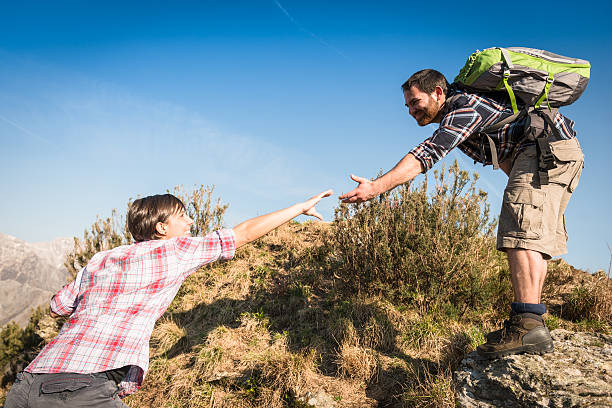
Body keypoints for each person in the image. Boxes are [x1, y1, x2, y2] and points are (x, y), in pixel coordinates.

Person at [4, 189, 332, 407]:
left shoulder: (101, 258)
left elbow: (55, 307)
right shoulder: (174, 250)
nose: (190, 222)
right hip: (82, 387)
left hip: (28, 383)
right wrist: (300, 208)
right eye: (182, 217)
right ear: (162, 228)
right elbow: (242, 234)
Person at [339, 69, 584, 359]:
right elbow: (503, 152)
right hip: (548, 152)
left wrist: (376, 187)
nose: (410, 110)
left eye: (415, 102)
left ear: (438, 93)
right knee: (528, 232)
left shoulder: (464, 109)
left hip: (545, 151)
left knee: (522, 234)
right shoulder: (465, 111)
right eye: (406, 105)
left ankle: (529, 326)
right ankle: (526, 323)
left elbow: (427, 153)